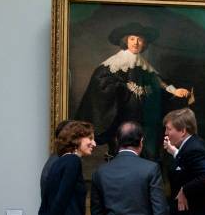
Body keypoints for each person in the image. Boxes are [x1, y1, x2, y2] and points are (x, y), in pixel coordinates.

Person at [76, 22, 190, 160]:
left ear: (144, 43)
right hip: (121, 118)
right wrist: (122, 89)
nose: (136, 43)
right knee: (122, 151)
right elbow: (100, 85)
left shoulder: (144, 65)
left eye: (140, 39)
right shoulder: (114, 63)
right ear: (125, 41)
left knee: (145, 152)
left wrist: (174, 90)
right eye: (132, 39)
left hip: (142, 120)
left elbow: (158, 83)